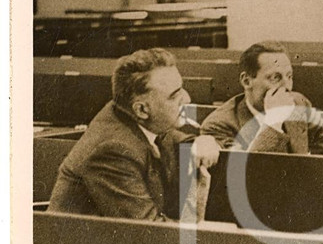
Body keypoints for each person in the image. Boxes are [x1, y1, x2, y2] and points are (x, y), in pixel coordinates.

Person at [48, 48, 220, 221]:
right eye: (175, 96)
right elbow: (149, 232)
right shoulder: (112, 150)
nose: (188, 99)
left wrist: (203, 140)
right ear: (142, 110)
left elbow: (171, 137)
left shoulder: (133, 117)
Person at [201, 41, 323, 155]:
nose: (287, 87)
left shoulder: (299, 102)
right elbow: (244, 174)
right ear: (247, 81)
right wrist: (273, 122)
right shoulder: (218, 125)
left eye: (289, 76)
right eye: (275, 78)